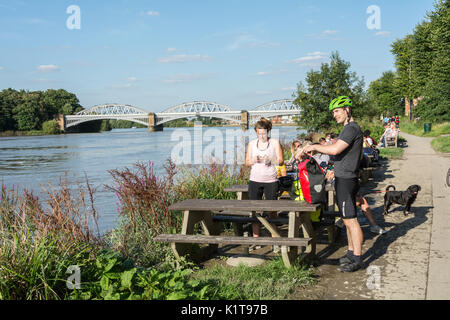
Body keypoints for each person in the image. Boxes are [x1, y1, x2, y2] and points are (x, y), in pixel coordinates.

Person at [302, 96, 364, 272]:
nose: (334, 115)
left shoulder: (351, 128)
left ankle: (358, 258)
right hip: (343, 176)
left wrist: (314, 147)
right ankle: (351, 253)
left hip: (346, 179)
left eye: (337, 111)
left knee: (351, 220)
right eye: (333, 112)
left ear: (347, 110)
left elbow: (335, 149)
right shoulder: (347, 129)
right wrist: (333, 167)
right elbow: (342, 154)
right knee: (346, 218)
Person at [245, 118, 283, 248]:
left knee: (272, 211)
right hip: (255, 180)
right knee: (254, 210)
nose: (262, 135)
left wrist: (270, 159)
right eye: (259, 133)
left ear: (268, 131)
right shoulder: (251, 144)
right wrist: (253, 159)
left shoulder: (274, 142)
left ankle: (274, 239)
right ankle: (256, 239)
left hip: (271, 180)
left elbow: (281, 161)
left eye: (264, 133)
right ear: (256, 132)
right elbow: (247, 163)